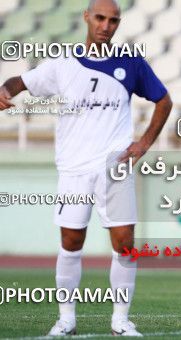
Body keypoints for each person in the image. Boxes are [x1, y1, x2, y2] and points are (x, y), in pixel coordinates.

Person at [0, 0, 172, 336]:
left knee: (124, 243)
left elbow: (164, 101)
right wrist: (5, 90)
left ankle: (120, 321)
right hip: (74, 167)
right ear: (86, 18)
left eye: (113, 20)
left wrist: (144, 143)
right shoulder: (62, 65)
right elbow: (18, 81)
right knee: (71, 241)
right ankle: (66, 319)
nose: (106, 26)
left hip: (115, 165)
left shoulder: (131, 63)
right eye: (100, 18)